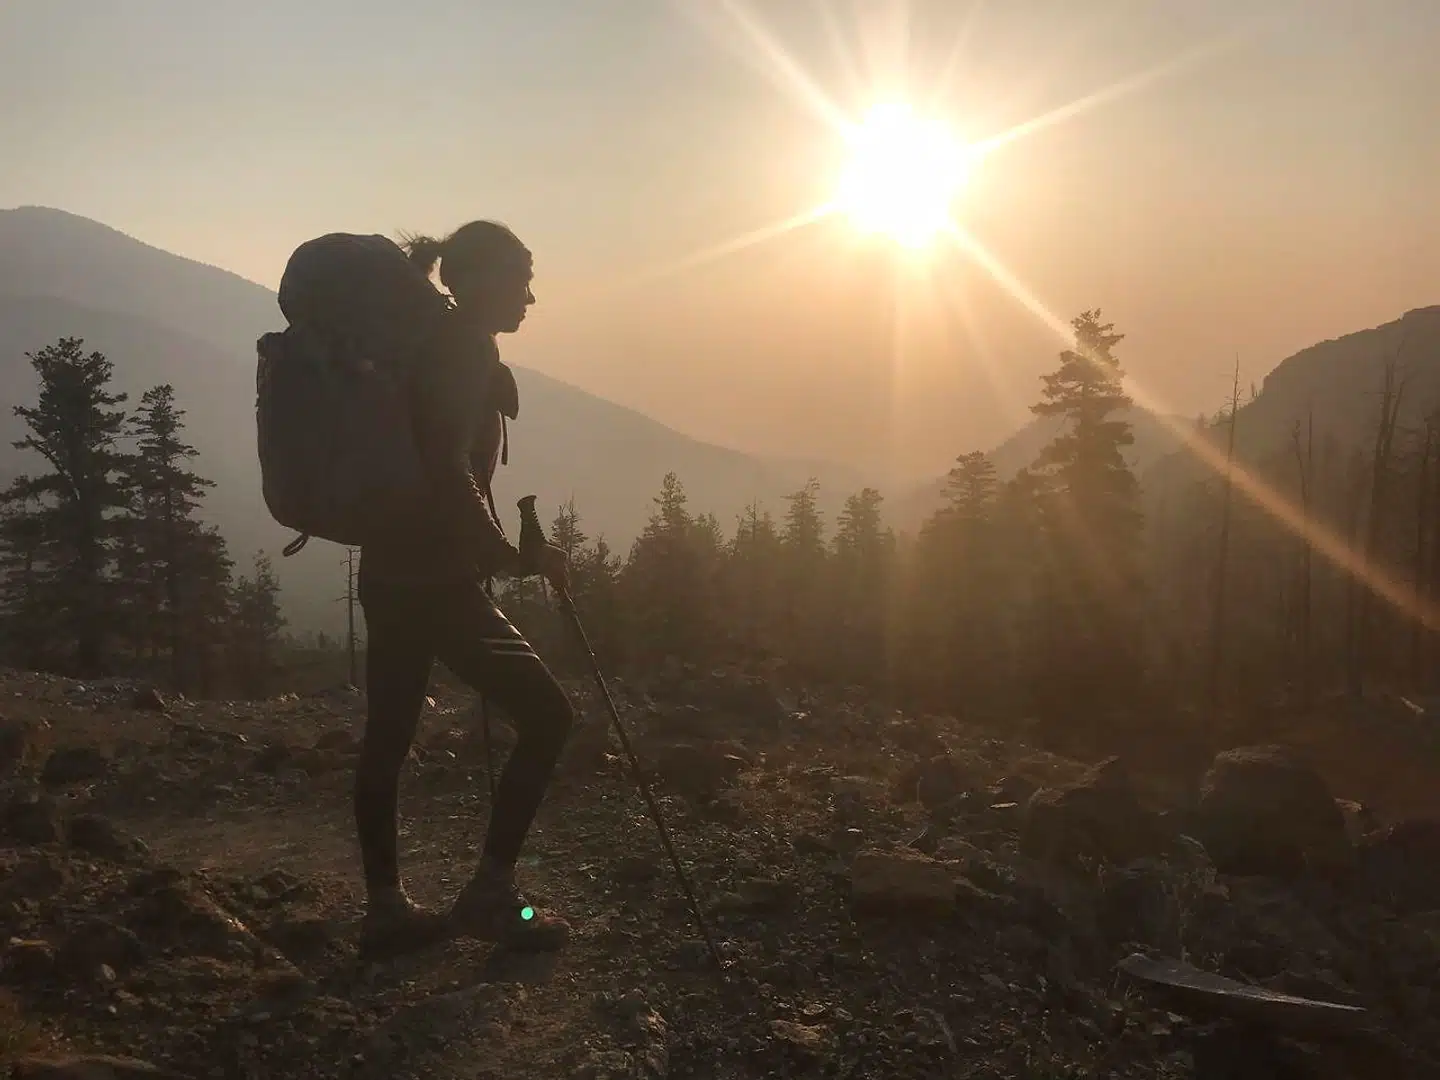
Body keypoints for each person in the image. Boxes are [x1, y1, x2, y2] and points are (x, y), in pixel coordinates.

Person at [353, 219, 575, 957]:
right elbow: (448, 467)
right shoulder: (463, 349)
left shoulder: (429, 344)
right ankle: (491, 894)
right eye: (521, 279)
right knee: (547, 715)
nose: (531, 297)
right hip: (438, 581)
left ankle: (385, 909)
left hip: (388, 571)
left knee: (387, 737)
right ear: (479, 281)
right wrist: (510, 557)